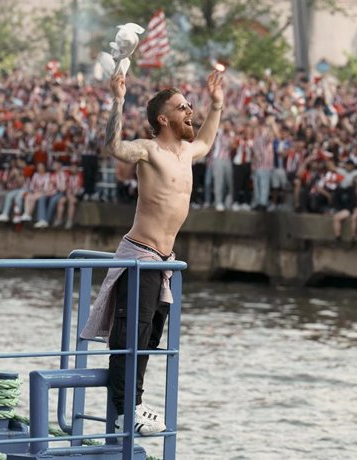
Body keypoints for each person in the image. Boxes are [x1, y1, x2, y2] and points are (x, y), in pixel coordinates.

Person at [80, 70, 224, 435]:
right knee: (129, 339)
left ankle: (135, 404)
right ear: (164, 118)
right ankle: (126, 410)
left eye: (190, 105)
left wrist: (217, 104)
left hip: (164, 262)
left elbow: (207, 140)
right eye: (182, 107)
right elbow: (115, 147)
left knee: (148, 339)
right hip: (139, 256)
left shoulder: (187, 152)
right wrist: (117, 100)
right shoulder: (150, 149)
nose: (190, 110)